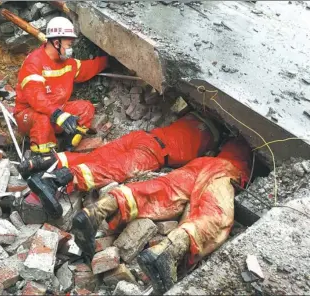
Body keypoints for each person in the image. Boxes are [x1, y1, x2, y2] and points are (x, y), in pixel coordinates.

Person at [70, 137, 251, 294]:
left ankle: (95, 212)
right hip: (226, 171)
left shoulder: (228, 143)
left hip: (203, 163)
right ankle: (167, 252)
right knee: (215, 216)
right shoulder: (250, 154)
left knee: (158, 190)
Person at [40, 111, 221, 194]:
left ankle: (40, 163)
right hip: (154, 152)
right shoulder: (212, 140)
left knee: (96, 157)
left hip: (143, 137)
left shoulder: (192, 115)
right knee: (115, 169)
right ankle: (63, 178)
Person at [14, 16, 108, 154]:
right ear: (57, 43)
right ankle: (43, 158)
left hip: (57, 113)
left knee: (85, 108)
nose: (70, 49)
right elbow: (36, 97)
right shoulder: (34, 62)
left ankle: (67, 148)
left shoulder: (68, 63)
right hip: (29, 115)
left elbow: (88, 68)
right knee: (42, 119)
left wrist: (109, 61)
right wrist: (58, 114)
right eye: (68, 45)